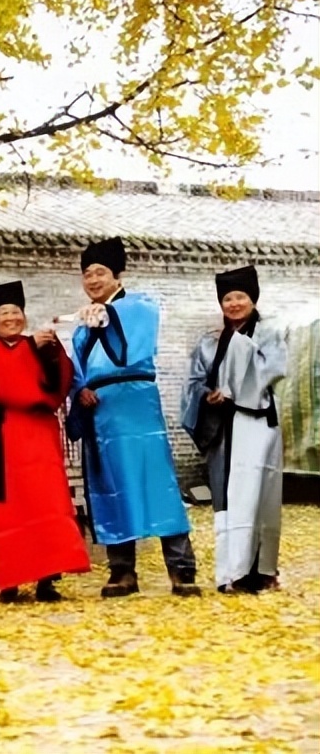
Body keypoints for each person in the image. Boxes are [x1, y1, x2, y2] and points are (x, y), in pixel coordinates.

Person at [66, 236, 201, 598]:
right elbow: (76, 368)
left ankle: (181, 568)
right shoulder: (82, 325)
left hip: (136, 404)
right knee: (109, 485)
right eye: (87, 274)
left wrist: (105, 316)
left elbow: (131, 342)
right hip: (101, 411)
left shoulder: (139, 306)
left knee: (157, 480)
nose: (93, 280)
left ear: (117, 275)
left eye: (100, 272)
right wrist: (80, 390)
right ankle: (122, 571)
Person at [0, 281, 90, 602]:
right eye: (3, 313)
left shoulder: (37, 343)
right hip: (6, 436)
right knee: (10, 509)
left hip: (40, 434)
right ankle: (10, 579)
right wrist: (30, 349)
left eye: (16, 311)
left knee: (47, 503)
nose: (11, 318)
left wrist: (52, 352)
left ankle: (47, 578)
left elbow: (59, 382)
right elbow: (2, 383)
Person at [182, 265, 287, 594]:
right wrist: (208, 395)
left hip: (258, 423)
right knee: (227, 497)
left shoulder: (270, 333)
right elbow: (194, 382)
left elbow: (273, 371)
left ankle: (263, 571)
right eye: (227, 298)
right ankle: (231, 572)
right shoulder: (210, 341)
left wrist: (237, 389)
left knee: (260, 494)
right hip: (222, 427)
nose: (234, 304)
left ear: (253, 299)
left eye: (241, 296)